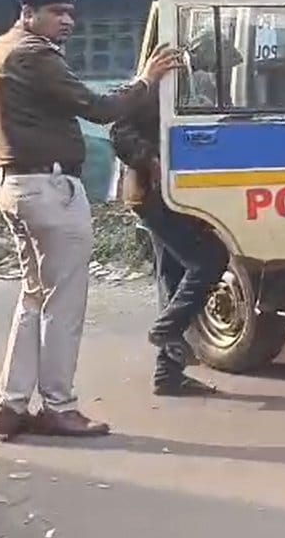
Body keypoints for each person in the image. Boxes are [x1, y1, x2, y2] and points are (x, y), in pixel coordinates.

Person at [0, 0, 182, 441]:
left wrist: (29, 124)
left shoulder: (0, 50)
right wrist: (147, 80)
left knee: (34, 297)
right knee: (63, 304)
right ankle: (59, 407)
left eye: (69, 13)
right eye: (57, 13)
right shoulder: (36, 55)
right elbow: (99, 108)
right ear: (29, 13)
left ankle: (12, 403)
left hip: (14, 183)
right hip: (49, 187)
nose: (67, 21)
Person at [110, 80, 229, 397]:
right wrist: (150, 159)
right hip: (154, 195)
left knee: (173, 279)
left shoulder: (188, 81)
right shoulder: (152, 84)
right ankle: (167, 329)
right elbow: (119, 133)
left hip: (177, 194)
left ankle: (168, 374)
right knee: (209, 259)